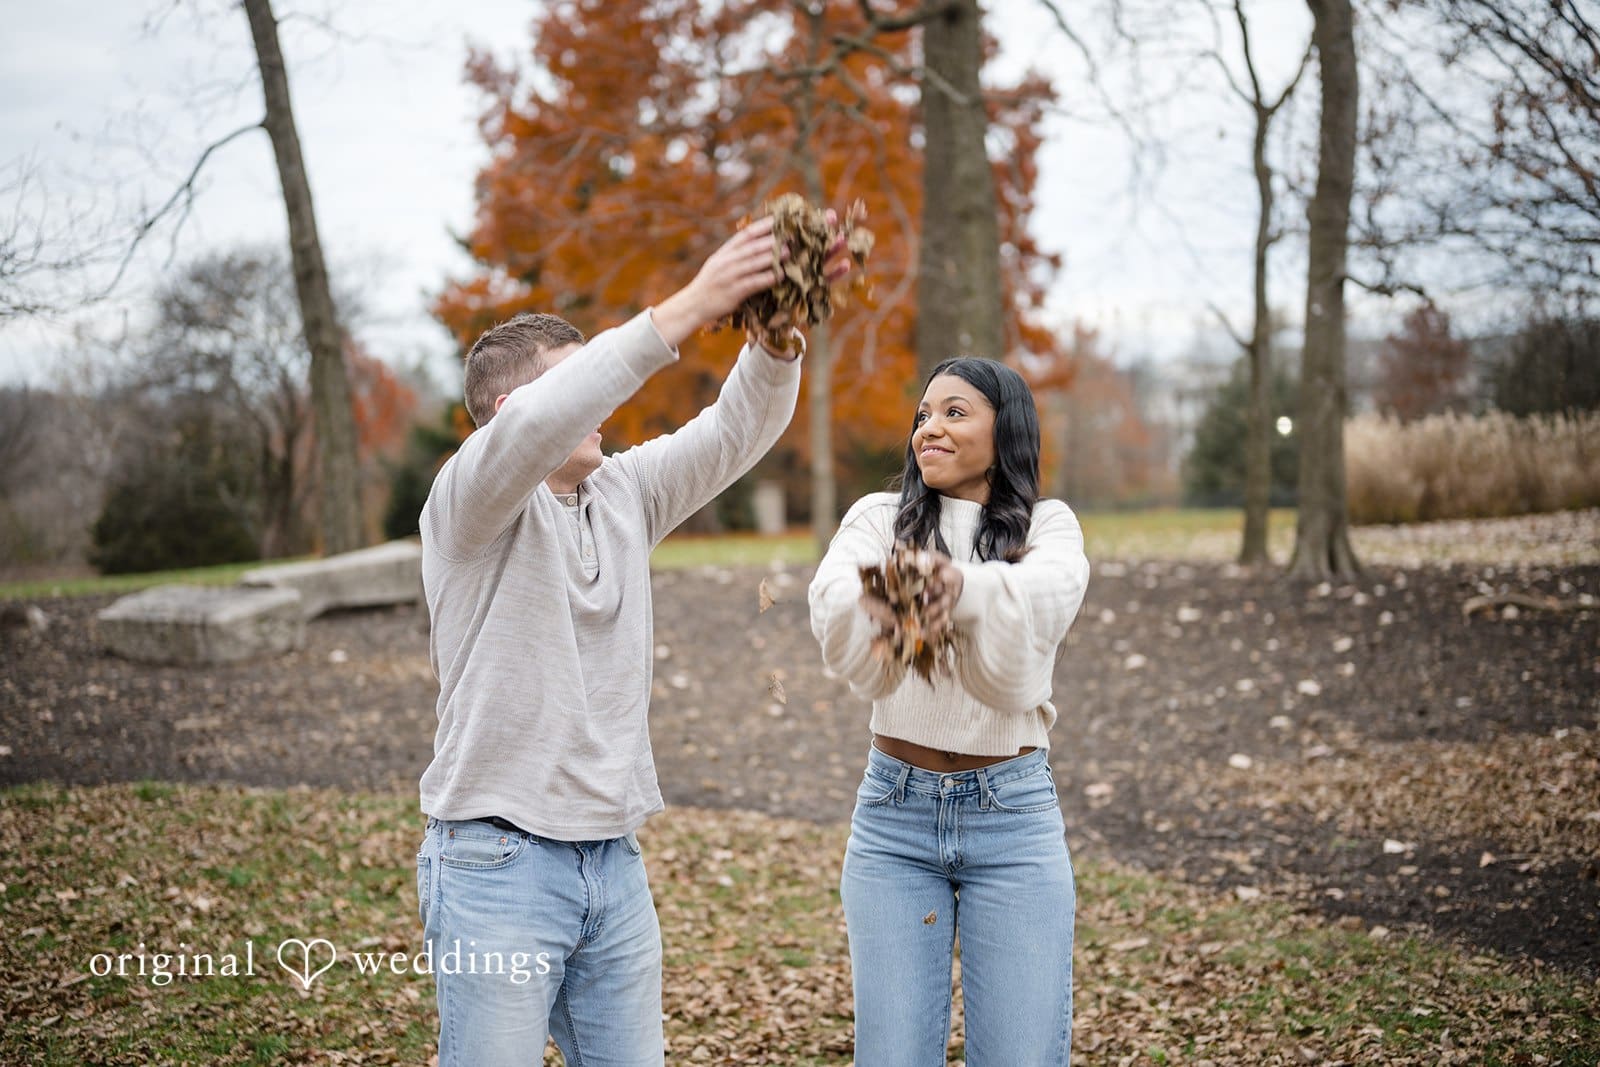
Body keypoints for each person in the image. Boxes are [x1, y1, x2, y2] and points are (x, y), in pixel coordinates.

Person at [415, 216, 848, 1067]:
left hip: (612, 865)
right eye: (578, 387)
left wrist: (777, 334)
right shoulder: (467, 501)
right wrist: (693, 304)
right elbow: (549, 417)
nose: (602, 405)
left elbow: (732, 435)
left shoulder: (624, 492)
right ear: (514, 411)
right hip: (493, 863)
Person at [808, 356, 1091, 1066]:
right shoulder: (880, 518)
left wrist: (951, 586)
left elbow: (1042, 598)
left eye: (955, 412)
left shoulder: (1047, 527)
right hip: (893, 820)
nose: (929, 427)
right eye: (922, 415)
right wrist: (888, 594)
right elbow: (834, 596)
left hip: (1014, 821)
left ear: (1008, 430)